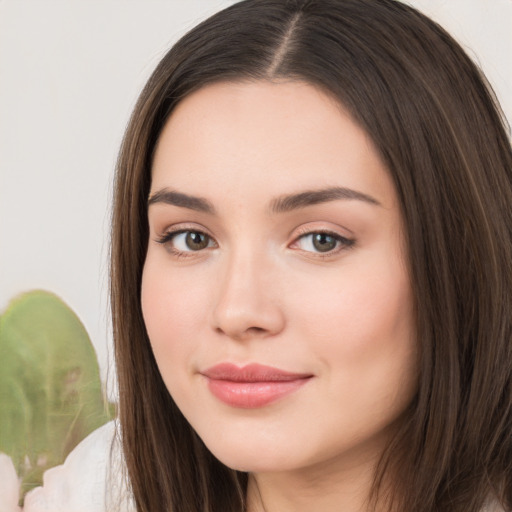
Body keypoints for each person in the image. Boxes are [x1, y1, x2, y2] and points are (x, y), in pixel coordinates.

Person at [24, 0, 511, 511]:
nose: (236, 312)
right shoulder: (91, 494)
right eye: (191, 238)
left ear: (460, 259)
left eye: (322, 240)